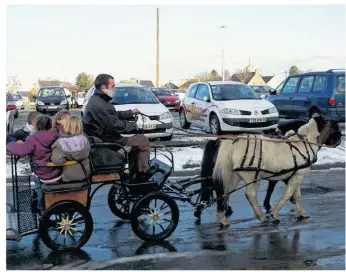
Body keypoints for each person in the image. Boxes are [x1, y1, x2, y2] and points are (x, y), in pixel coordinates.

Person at [82, 74, 150, 182]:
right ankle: (142, 175)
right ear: (103, 88)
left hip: (104, 138)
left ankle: (134, 173)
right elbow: (115, 126)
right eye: (113, 86)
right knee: (142, 140)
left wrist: (130, 113)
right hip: (109, 141)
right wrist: (134, 126)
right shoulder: (100, 105)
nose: (115, 89)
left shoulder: (97, 100)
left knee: (136, 142)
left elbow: (112, 116)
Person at [7, 115, 62, 183]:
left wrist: (10, 144)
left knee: (37, 181)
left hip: (42, 174)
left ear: (37, 126)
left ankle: (39, 193)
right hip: (58, 172)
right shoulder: (57, 135)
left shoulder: (33, 139)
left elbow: (21, 150)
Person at [51, 116, 91, 182]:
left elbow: (57, 160)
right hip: (85, 173)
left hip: (68, 176)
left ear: (66, 126)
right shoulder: (85, 140)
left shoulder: (60, 142)